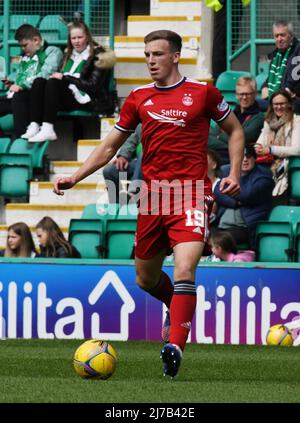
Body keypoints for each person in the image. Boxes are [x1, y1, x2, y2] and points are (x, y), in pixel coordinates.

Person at [53, 30, 244, 378]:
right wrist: (75, 176)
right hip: (152, 197)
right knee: (145, 279)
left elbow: (234, 129)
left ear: (175, 56)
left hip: (191, 194)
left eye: (157, 54)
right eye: (146, 55)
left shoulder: (202, 93)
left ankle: (175, 348)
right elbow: (110, 146)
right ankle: (175, 305)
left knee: (185, 269)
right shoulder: (139, 98)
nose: (151, 61)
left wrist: (234, 173)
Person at [21, 20, 116, 143]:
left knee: (53, 82)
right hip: (67, 96)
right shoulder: (68, 54)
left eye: (79, 37)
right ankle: (34, 124)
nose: (76, 41)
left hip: (89, 99)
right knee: (39, 81)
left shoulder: (99, 56)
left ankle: (48, 128)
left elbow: (93, 86)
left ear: (87, 37)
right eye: (73, 38)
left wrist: (66, 78)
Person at [0, 24, 63, 138]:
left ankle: (21, 139)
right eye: (21, 46)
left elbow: (45, 74)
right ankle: (5, 141)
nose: (22, 49)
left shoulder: (52, 51)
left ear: (36, 40)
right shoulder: (25, 57)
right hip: (17, 94)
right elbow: (20, 75)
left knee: (19, 97)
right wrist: (10, 82)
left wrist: (22, 85)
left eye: (25, 45)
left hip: (35, 96)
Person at [213, 146, 274, 249]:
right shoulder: (226, 170)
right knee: (200, 236)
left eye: (248, 156)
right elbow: (217, 191)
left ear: (255, 159)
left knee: (219, 240)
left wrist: (227, 192)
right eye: (242, 156)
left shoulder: (264, 176)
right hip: (221, 223)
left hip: (245, 227)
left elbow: (247, 195)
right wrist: (236, 203)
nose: (245, 159)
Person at [254, 89, 300, 206]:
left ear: (289, 104)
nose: (278, 107)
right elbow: (260, 142)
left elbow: (296, 149)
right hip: (268, 164)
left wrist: (270, 149)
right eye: (276, 104)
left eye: (282, 103)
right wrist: (258, 148)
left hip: (287, 166)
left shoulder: (296, 121)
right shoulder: (269, 121)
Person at [208, 76, 264, 164]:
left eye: (248, 94)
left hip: (243, 160)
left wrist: (220, 136)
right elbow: (212, 134)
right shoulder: (231, 114)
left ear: (255, 94)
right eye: (241, 94)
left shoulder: (259, 117)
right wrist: (229, 140)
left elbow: (241, 138)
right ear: (236, 95)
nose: (244, 97)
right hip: (222, 157)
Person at [260, 20, 300, 113]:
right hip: (278, 100)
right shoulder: (276, 54)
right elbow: (270, 78)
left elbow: (293, 81)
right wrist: (264, 87)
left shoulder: (298, 51)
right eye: (276, 36)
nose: (279, 39)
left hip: (294, 100)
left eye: (282, 35)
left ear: (291, 36)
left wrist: (283, 93)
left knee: (254, 107)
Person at [205, 0, 250, 81]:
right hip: (224, 3)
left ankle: (224, 75)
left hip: (235, 4)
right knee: (221, 42)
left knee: (232, 41)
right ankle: (218, 77)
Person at [103, 124, 142, 203]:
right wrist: (123, 156)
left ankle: (135, 192)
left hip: (160, 164)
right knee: (110, 171)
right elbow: (131, 140)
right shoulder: (143, 121)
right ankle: (116, 206)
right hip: (138, 163)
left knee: (145, 154)